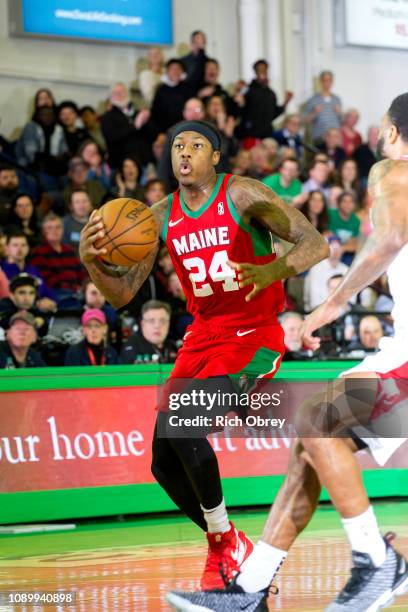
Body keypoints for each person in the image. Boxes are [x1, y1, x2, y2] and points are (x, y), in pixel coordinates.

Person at [169, 93, 408, 612]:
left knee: (316, 422)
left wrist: (329, 306)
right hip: (398, 348)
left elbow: (389, 239)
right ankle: (249, 590)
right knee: (310, 447)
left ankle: (376, 561)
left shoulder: (391, 170)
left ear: (392, 134)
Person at [79, 119, 328, 591]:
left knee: (182, 418)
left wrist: (271, 269)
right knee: (161, 462)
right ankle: (230, 540)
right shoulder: (156, 215)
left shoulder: (243, 194)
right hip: (203, 335)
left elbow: (315, 243)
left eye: (196, 145)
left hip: (252, 333)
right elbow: (121, 295)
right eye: (177, 146)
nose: (185, 152)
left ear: (215, 157)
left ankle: (224, 546)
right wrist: (92, 259)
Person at [31, 213, 86, 298]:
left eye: (58, 227)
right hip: (54, 293)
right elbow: (46, 280)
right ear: (44, 231)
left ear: (62, 230)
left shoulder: (70, 250)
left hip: (77, 292)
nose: (54, 231)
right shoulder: (39, 252)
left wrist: (84, 286)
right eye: (50, 228)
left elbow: (81, 274)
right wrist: (73, 288)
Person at [101, 82, 154, 169]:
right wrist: (134, 126)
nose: (119, 95)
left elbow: (152, 134)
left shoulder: (138, 113)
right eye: (116, 93)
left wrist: (147, 119)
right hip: (121, 164)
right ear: (111, 97)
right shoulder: (107, 117)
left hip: (143, 161)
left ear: (128, 94)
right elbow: (111, 137)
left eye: (122, 92)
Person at [239, 59, 293, 140]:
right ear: (255, 72)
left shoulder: (271, 94)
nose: (262, 72)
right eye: (259, 70)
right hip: (250, 135)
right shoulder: (247, 89)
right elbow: (239, 106)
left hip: (267, 135)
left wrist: (286, 102)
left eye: (264, 70)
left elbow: (273, 115)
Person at [151, 55, 207, 133]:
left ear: (182, 72)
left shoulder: (188, 88)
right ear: (167, 72)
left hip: (187, 128)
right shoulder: (161, 90)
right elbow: (155, 115)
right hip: (164, 131)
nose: (175, 71)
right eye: (172, 69)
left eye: (178, 69)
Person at [1, 231, 57, 305]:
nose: (19, 249)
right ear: (7, 248)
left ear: (28, 248)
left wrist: (51, 302)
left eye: (23, 245)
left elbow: (48, 293)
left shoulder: (34, 270)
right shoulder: (1, 270)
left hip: (38, 313)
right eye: (15, 245)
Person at [120, 300, 178, 364]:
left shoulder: (175, 347)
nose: (157, 326)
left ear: (168, 324)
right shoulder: (132, 348)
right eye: (151, 321)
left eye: (162, 321)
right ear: (142, 324)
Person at [304, 236, 349, 311]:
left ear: (342, 250)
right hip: (317, 310)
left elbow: (350, 298)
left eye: (338, 247)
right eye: (332, 247)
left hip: (341, 311)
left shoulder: (346, 269)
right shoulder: (316, 269)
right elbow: (314, 301)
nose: (335, 251)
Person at [304, 70, 342, 144]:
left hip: (335, 139)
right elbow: (305, 120)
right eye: (325, 80)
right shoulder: (313, 99)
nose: (327, 83)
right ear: (320, 82)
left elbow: (341, 121)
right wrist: (315, 112)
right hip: (320, 138)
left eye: (330, 80)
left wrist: (339, 113)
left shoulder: (337, 99)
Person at [328, 191, 361, 262]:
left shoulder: (356, 221)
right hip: (328, 249)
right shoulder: (330, 214)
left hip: (344, 253)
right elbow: (327, 233)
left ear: (354, 205)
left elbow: (353, 244)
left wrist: (342, 248)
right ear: (339, 203)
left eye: (351, 202)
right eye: (344, 201)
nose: (348, 204)